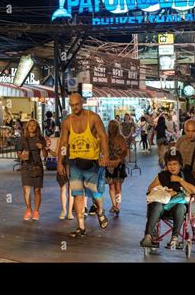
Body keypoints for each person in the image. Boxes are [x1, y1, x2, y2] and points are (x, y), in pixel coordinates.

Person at [57, 93, 110, 238]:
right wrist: (60, 162)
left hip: (92, 163)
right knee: (78, 195)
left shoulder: (92, 117)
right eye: (72, 105)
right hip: (75, 164)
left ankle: (100, 211)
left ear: (82, 102)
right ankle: (81, 226)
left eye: (77, 104)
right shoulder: (67, 122)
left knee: (96, 195)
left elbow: (103, 136)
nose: (75, 108)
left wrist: (105, 155)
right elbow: (63, 143)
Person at [140, 151, 195, 249]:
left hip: (177, 207)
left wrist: (180, 180)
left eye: (175, 164)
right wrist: (164, 191)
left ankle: (174, 238)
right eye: (169, 164)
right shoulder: (162, 176)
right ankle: (148, 236)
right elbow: (150, 189)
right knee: (156, 205)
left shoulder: (186, 174)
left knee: (180, 207)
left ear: (180, 164)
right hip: (162, 207)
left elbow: (194, 190)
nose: (172, 167)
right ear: (166, 165)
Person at [17, 119, 48, 221]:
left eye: (34, 125)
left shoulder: (40, 138)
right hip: (26, 166)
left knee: (37, 190)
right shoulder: (23, 139)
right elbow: (19, 153)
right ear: (27, 127)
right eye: (30, 125)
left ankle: (36, 211)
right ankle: (28, 209)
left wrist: (42, 147)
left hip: (37, 166)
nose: (31, 127)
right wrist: (22, 156)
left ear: (37, 127)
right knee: (26, 189)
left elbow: (45, 155)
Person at [105, 120, 128, 215]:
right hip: (109, 164)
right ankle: (114, 205)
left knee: (118, 186)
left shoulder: (120, 138)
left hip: (118, 164)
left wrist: (119, 159)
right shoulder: (106, 138)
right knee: (111, 185)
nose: (112, 128)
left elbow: (125, 151)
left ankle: (117, 205)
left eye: (114, 126)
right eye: (110, 126)